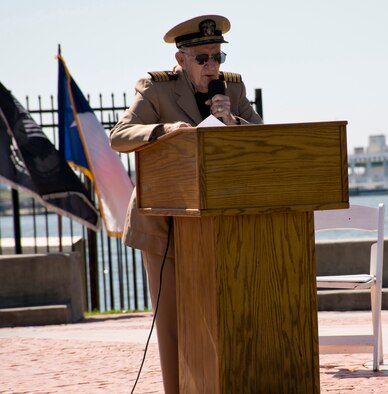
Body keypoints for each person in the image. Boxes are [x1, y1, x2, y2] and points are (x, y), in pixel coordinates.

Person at [110, 14, 263, 393]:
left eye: (217, 57)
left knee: (220, 319)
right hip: (165, 222)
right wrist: (164, 132)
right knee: (175, 324)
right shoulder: (156, 88)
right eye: (203, 58)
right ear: (181, 60)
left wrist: (232, 122)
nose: (212, 66)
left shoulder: (234, 89)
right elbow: (120, 135)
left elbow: (263, 139)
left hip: (219, 223)